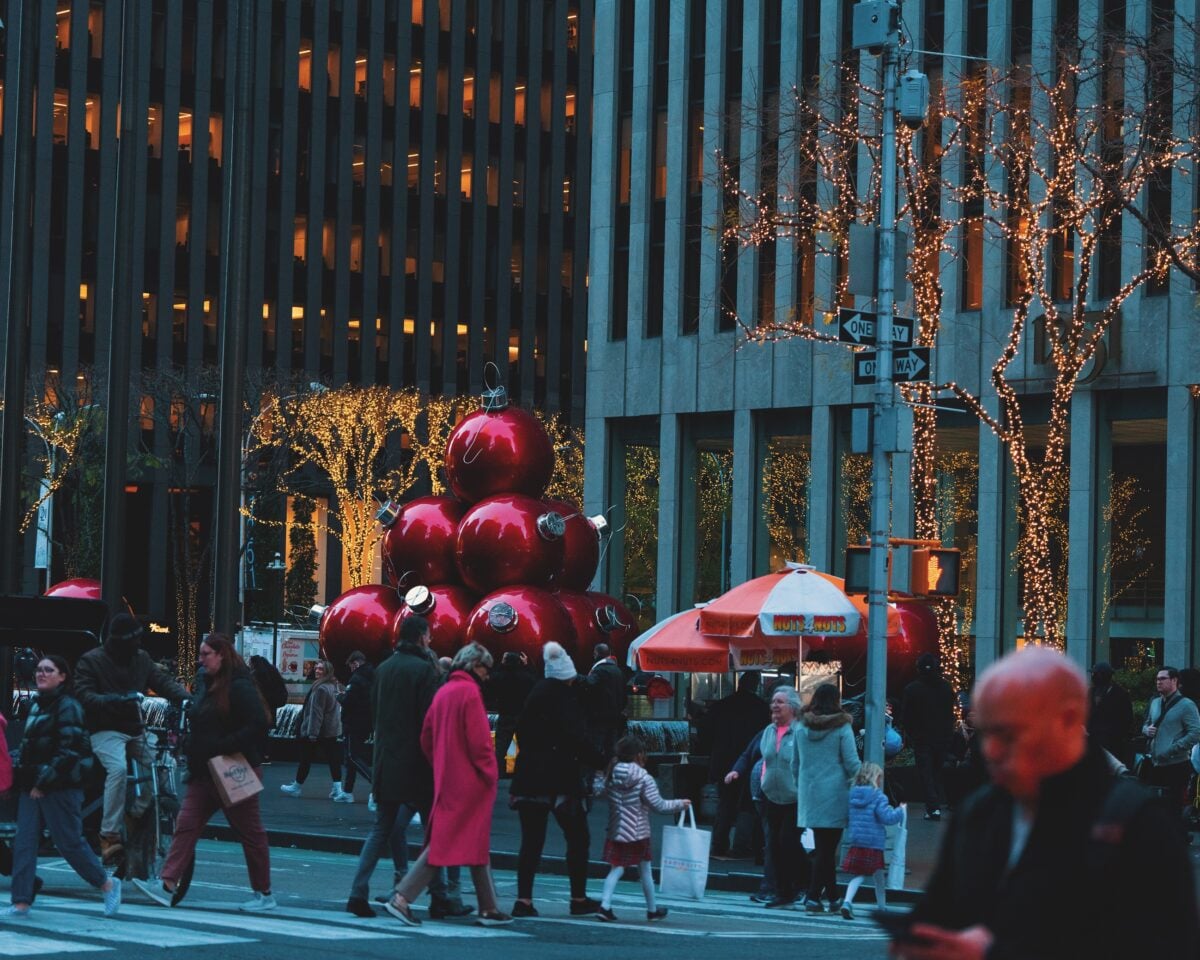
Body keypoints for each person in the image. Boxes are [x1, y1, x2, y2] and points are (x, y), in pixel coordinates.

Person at [899, 646, 1199, 960]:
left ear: (1066, 722)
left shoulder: (1136, 823)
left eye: (1010, 732)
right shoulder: (979, 812)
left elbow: (1166, 941)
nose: (991, 750)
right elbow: (940, 911)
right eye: (986, 732)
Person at [138, 634, 274, 911]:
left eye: (206, 654)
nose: (201, 660)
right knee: (186, 825)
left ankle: (264, 892)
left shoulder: (238, 685)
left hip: (231, 767)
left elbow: (258, 722)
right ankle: (167, 884)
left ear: (221, 654)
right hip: (208, 769)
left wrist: (222, 745)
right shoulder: (210, 682)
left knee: (249, 833)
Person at [345, 616, 467, 920]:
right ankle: (439, 895)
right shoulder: (424, 671)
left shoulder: (383, 669)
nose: (430, 640)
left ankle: (357, 892)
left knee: (381, 829)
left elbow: (375, 713)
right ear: (421, 637)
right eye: (429, 635)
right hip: (418, 763)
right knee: (433, 831)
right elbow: (431, 720)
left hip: (386, 761)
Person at [384, 643, 512, 927]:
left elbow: (426, 737)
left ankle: (489, 907)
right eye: (486, 668)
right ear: (474, 665)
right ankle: (402, 898)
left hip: (447, 778)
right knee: (446, 843)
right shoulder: (470, 693)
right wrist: (491, 774)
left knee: (472, 843)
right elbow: (481, 745)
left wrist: (441, 763)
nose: (487, 675)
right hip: (471, 783)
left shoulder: (443, 692)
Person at [5, 655, 121, 919]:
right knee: (24, 843)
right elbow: (29, 748)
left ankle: (106, 883)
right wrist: (21, 776)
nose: (41, 674)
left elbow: (69, 751)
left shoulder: (68, 706)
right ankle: (21, 902)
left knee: (68, 842)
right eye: (39, 670)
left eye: (48, 670)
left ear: (62, 676)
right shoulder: (37, 705)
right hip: (34, 785)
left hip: (60, 786)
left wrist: (43, 782)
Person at [74, 612, 189, 863]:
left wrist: (187, 699)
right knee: (117, 769)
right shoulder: (91, 661)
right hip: (104, 729)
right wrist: (116, 700)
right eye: (134, 639)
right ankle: (109, 835)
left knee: (165, 764)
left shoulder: (141, 658)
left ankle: (135, 814)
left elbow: (162, 682)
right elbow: (84, 695)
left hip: (135, 728)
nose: (139, 643)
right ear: (122, 641)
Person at [510, 641, 606, 918]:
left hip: (529, 778)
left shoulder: (534, 694)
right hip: (561, 779)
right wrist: (601, 761)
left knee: (531, 841)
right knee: (578, 837)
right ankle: (578, 897)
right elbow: (575, 738)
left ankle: (523, 899)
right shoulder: (566, 700)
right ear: (567, 675)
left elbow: (521, 732)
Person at [727, 684, 808, 908]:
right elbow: (751, 754)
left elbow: (810, 764)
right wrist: (736, 771)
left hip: (795, 797)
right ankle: (781, 892)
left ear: (792, 707)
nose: (774, 705)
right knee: (773, 844)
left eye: (780, 702)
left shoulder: (801, 732)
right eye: (773, 702)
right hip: (770, 796)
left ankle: (804, 883)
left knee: (788, 842)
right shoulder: (768, 732)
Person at [596, 734, 690, 922]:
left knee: (617, 867)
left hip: (616, 829)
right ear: (639, 754)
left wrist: (598, 776)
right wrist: (680, 804)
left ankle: (607, 905)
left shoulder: (611, 772)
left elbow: (598, 791)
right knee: (644, 869)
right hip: (638, 831)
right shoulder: (644, 777)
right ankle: (646, 909)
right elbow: (659, 805)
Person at [795, 682, 861, 913]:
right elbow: (851, 762)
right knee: (827, 849)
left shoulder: (801, 726)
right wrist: (866, 781)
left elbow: (795, 762)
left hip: (809, 792)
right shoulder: (842, 727)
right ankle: (813, 897)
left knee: (823, 847)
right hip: (835, 793)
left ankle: (833, 897)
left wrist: (800, 786)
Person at [698, 672, 769, 858]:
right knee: (747, 804)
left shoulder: (722, 705)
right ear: (756, 686)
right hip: (750, 762)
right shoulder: (761, 708)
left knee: (725, 803)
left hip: (723, 761)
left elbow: (705, 731)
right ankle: (741, 845)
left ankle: (719, 844)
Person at [838, 762, 903, 920]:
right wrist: (901, 811)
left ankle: (880, 906)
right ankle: (848, 902)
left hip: (857, 841)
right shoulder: (878, 796)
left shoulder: (852, 795)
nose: (881, 781)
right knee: (867, 875)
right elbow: (887, 818)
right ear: (874, 778)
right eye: (880, 777)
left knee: (875, 875)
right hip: (874, 843)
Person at [280, 660, 347, 801]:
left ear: (327, 671)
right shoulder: (334, 685)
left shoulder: (321, 688)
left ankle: (296, 787)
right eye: (316, 668)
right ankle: (337, 788)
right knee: (333, 759)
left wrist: (312, 733)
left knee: (306, 759)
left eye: (321, 669)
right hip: (331, 729)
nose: (317, 671)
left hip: (318, 730)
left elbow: (317, 713)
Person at [900, 653, 955, 821]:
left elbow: (906, 716)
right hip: (942, 737)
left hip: (922, 738)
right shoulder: (946, 687)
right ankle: (936, 804)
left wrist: (912, 734)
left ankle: (933, 807)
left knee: (926, 773)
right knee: (936, 770)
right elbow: (950, 714)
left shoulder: (912, 689)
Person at [1140, 665, 1200, 805]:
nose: (1158, 682)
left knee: (1173, 805)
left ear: (1174, 681)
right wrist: (1146, 730)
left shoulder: (1187, 705)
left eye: (1162, 679)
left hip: (1176, 764)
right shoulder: (1155, 703)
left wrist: (1173, 748)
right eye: (1157, 679)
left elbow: (1196, 733)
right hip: (1154, 763)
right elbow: (1146, 723)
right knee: (1154, 805)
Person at [487, 651, 536, 776]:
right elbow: (534, 680)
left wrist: (501, 664)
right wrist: (527, 665)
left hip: (505, 715)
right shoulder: (525, 677)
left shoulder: (499, 676)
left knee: (500, 749)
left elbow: (491, 679)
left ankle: (499, 775)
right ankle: (526, 774)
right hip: (522, 716)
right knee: (526, 748)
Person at [338, 651, 375, 803]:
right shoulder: (372, 676)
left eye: (351, 666)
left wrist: (339, 696)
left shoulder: (356, 679)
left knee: (352, 757)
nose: (351, 669)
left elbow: (349, 701)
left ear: (356, 663)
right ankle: (347, 791)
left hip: (353, 723)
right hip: (366, 722)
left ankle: (375, 783)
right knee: (350, 758)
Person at [585, 643, 627, 760]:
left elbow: (589, 686)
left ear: (596, 654)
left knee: (596, 749)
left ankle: (597, 770)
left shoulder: (599, 671)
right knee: (611, 750)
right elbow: (624, 696)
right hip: (615, 718)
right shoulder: (618, 671)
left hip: (599, 719)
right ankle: (611, 769)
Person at [1087, 661, 1132, 765]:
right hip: (1093, 744)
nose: (1092, 677)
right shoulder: (1091, 692)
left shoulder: (1121, 694)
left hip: (1113, 746)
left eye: (1095, 674)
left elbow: (1127, 720)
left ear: (1102, 675)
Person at [248, 655, 288, 765]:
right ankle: (265, 755)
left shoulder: (255, 675)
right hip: (271, 706)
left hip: (260, 706)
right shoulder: (272, 672)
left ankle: (261, 755)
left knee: (258, 732)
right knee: (264, 732)